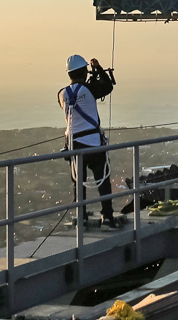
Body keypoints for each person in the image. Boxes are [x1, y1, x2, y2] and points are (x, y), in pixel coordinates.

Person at [58, 54, 118, 229]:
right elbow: (107, 87)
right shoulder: (90, 90)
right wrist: (98, 69)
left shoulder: (61, 94)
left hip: (73, 145)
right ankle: (107, 216)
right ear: (84, 71)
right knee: (103, 180)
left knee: (79, 183)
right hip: (93, 143)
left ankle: (81, 216)